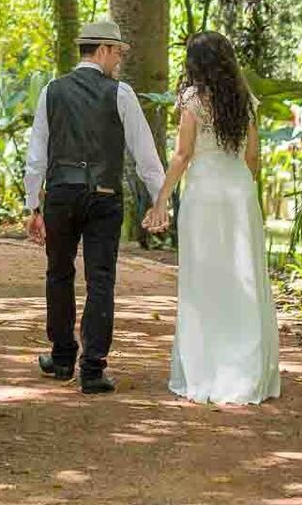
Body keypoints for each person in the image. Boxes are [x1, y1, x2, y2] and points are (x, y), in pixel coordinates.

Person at [25, 20, 166, 395]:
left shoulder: (51, 92)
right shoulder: (121, 94)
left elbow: (36, 155)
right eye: (118, 52)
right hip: (104, 196)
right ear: (102, 49)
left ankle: (61, 358)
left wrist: (32, 206)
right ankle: (92, 370)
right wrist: (162, 200)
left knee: (58, 273)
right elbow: (145, 156)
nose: (119, 61)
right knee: (101, 279)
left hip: (60, 196)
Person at [143, 30, 280, 405]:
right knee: (244, 277)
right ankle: (247, 372)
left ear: (195, 63)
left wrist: (161, 201)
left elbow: (183, 154)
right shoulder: (245, 100)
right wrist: (242, 186)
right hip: (238, 192)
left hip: (204, 194)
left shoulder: (192, 99)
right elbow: (252, 156)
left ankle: (208, 369)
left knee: (203, 280)